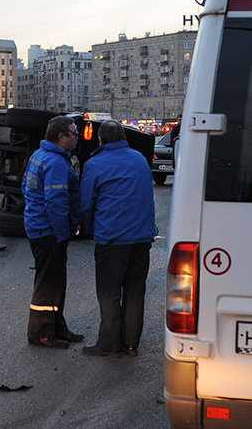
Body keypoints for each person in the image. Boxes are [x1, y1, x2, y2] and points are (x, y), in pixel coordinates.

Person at [80, 120, 156, 357]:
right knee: (135, 291)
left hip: (112, 239)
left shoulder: (95, 164)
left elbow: (85, 204)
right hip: (142, 239)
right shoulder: (139, 159)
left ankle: (109, 344)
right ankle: (131, 344)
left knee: (110, 291)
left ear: (100, 140)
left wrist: (88, 228)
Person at [22, 115, 84, 349]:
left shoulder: (40, 155)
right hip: (49, 232)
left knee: (56, 281)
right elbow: (56, 203)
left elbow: (25, 188)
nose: (77, 138)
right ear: (61, 137)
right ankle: (41, 333)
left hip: (39, 227)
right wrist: (63, 233)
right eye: (73, 133)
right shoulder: (56, 162)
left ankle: (58, 327)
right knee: (48, 284)